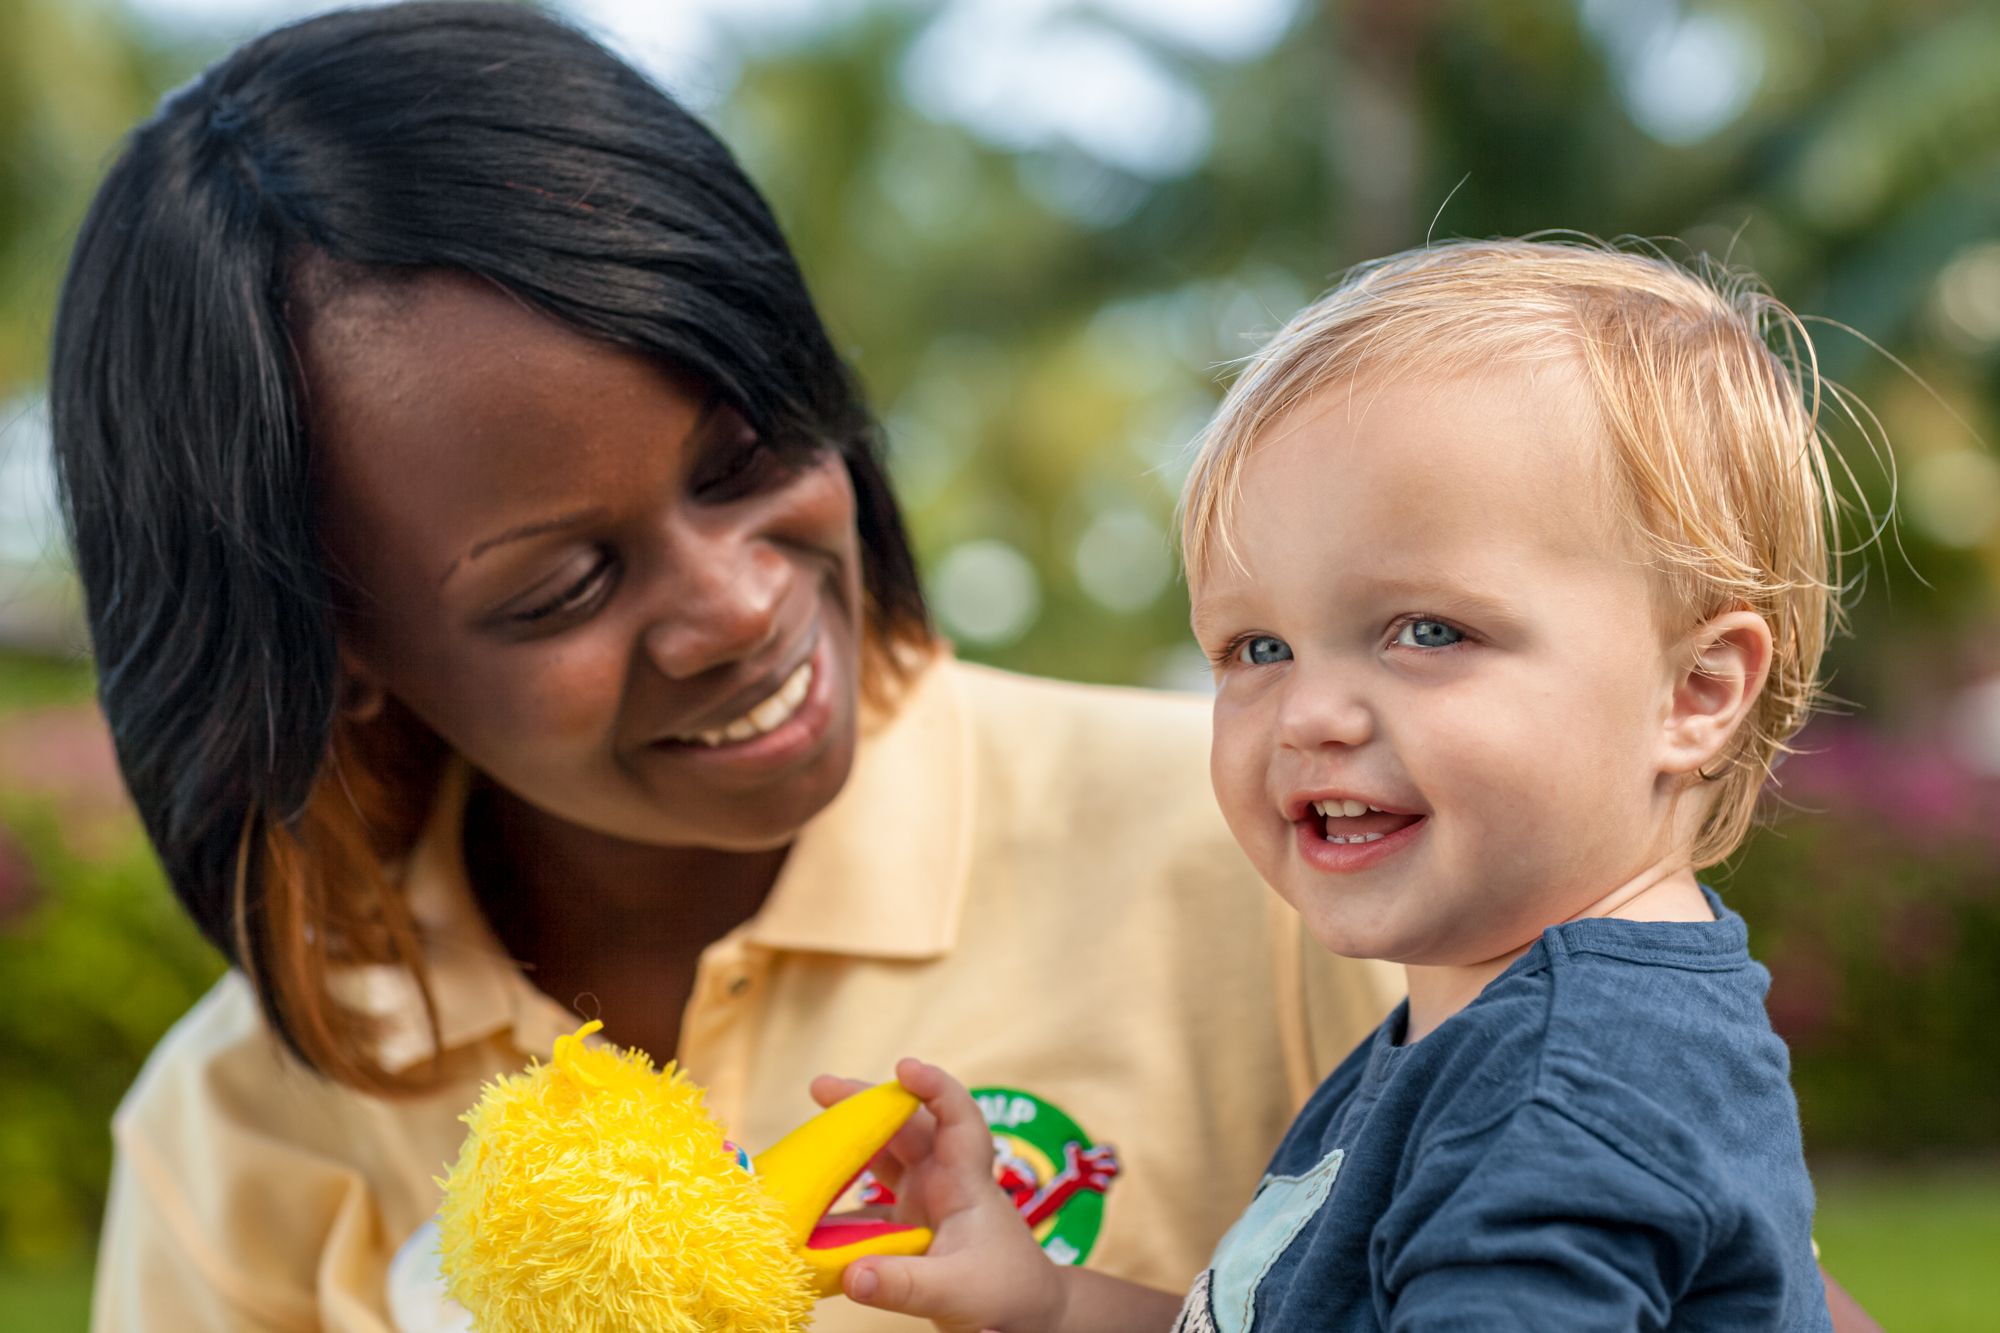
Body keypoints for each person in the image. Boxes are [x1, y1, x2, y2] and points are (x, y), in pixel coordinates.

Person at [51, 4, 1402, 1330]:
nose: (742, 606)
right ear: (336, 648)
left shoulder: (1289, 853)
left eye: (751, 460)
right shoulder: (240, 1124)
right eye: (563, 586)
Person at [824, 240, 1867, 1331]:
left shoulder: (1560, 1089)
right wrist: (1041, 1301)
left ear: (1694, 691)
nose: (1311, 714)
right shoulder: (1493, 1032)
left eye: (1426, 631)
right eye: (1256, 648)